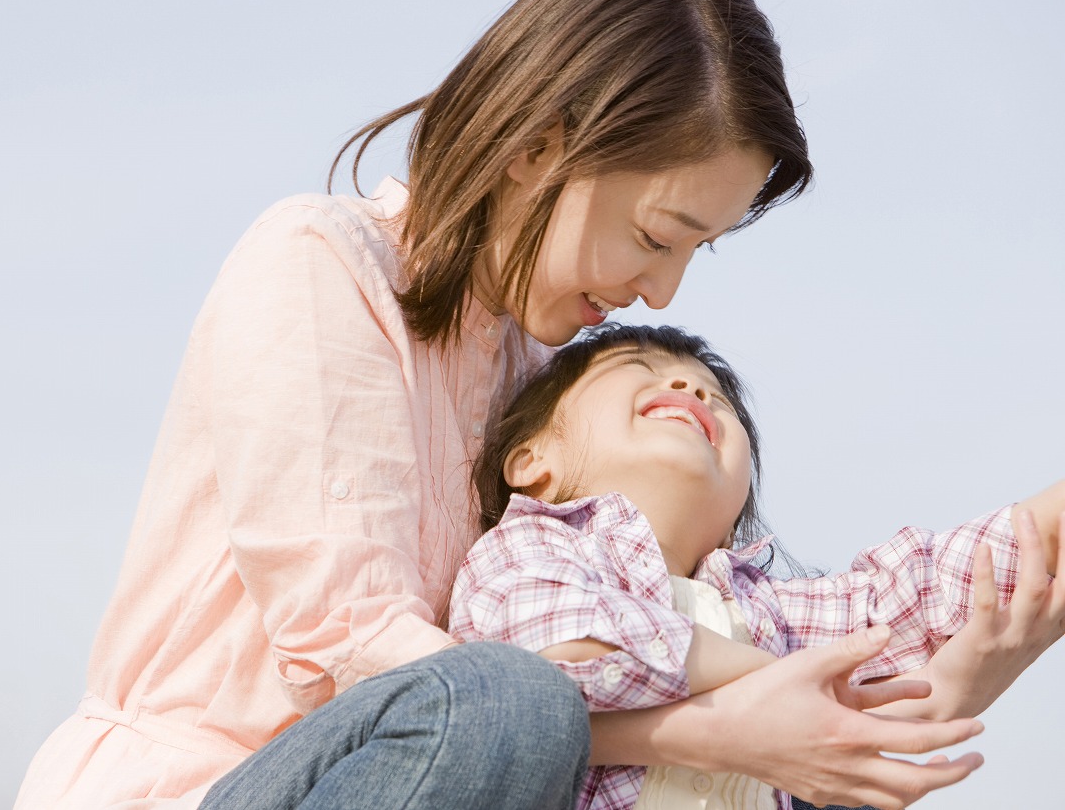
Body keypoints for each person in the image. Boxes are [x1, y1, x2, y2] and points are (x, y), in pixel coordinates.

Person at [14, 0, 998, 808]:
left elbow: (609, 637)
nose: (660, 288)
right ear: (535, 149)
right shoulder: (321, 264)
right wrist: (708, 727)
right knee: (507, 701)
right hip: (206, 786)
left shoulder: (548, 386)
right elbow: (346, 654)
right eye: (655, 235)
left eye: (695, 251)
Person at [451, 322, 1065, 810]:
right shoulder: (535, 545)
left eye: (718, 400)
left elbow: (915, 592)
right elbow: (568, 649)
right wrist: (797, 682)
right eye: (640, 368)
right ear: (532, 462)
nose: (694, 393)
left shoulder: (761, 606)